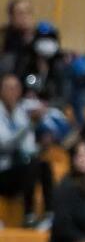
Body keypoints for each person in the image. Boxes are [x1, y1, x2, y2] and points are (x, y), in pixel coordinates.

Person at [0, 72, 54, 225]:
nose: (13, 92)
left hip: (20, 170)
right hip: (3, 172)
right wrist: (30, 124)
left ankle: (49, 214)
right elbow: (5, 145)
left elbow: (28, 150)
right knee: (31, 165)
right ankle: (28, 215)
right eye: (9, 88)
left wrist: (41, 147)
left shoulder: (21, 112)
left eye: (16, 88)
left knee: (43, 165)